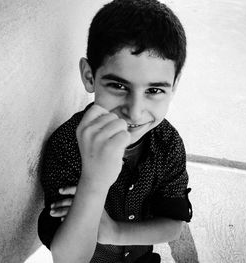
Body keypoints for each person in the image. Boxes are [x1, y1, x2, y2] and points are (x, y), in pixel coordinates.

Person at [38, 0, 192, 262]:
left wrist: (114, 232)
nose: (134, 112)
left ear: (174, 86)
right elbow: (68, 258)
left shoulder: (168, 143)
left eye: (154, 91)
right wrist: (94, 183)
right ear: (89, 77)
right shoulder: (67, 146)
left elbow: (173, 226)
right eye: (119, 86)